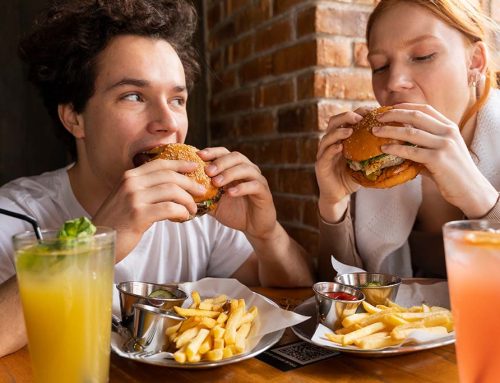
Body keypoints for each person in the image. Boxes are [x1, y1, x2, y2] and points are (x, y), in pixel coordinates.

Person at [0, 0, 313, 357]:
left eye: (177, 99)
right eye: (134, 96)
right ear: (74, 118)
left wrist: (265, 233)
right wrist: (100, 242)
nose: (168, 122)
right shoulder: (18, 214)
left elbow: (296, 292)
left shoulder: (199, 210)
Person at [316, 0, 500, 280]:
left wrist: (482, 202)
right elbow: (342, 299)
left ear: (475, 62)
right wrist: (332, 205)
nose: (393, 81)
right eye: (380, 66)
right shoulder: (372, 167)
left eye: (423, 55)